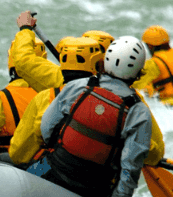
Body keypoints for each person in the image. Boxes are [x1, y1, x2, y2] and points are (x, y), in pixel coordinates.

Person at [22, 36, 157, 197]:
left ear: (105, 61)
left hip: (53, 170)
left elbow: (46, 129)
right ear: (138, 72)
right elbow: (130, 167)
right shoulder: (138, 111)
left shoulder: (77, 86)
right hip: (95, 191)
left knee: (20, 173)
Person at [6, 36, 104, 166]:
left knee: (4, 160)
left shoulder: (46, 97)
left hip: (57, 170)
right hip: (99, 175)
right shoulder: (111, 97)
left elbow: (18, 154)